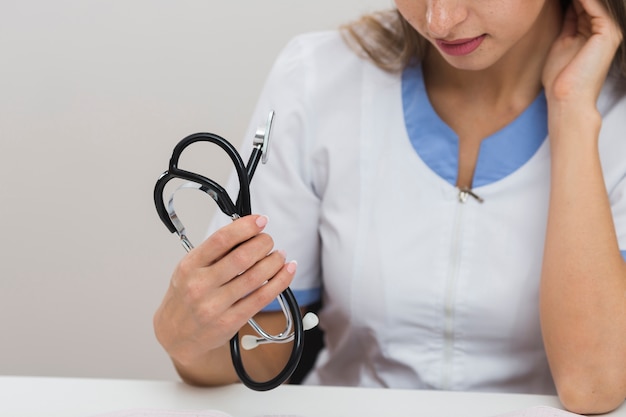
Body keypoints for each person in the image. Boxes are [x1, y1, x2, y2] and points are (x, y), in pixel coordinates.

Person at [153, 0, 626, 414]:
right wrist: (190, 343)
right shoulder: (317, 78)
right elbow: (263, 344)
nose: (441, 19)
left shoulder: (619, 114)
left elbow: (592, 387)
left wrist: (571, 113)